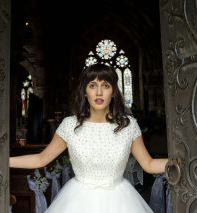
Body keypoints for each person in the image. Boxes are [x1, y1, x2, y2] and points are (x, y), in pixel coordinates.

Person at [9, 63, 168, 213]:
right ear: (85, 92)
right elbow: (41, 159)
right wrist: (5, 161)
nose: (99, 92)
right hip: (77, 200)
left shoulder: (128, 125)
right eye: (93, 86)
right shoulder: (70, 125)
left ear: (113, 92)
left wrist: (179, 161)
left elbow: (149, 164)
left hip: (121, 200)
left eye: (105, 86)